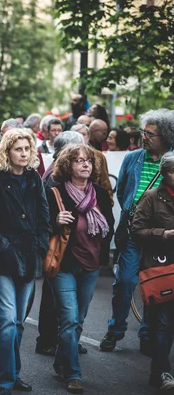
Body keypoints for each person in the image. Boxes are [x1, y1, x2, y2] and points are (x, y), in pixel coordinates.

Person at [0, 129, 51, 395]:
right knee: (6, 321)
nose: (24, 153)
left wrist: (41, 245)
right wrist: (4, 247)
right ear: (7, 152)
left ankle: (14, 374)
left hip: (29, 257)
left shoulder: (34, 179)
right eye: (18, 149)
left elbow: (44, 217)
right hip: (2, 259)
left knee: (18, 322)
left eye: (27, 149)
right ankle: (3, 381)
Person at [101, 109, 174, 354]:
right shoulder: (133, 158)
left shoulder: (172, 162)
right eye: (144, 132)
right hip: (133, 231)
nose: (144, 137)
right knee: (124, 282)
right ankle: (115, 330)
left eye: (150, 134)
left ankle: (147, 332)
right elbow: (122, 193)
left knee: (156, 285)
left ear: (165, 136)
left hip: (161, 237)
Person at [46, 144, 114, 393]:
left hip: (92, 264)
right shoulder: (56, 193)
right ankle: (73, 374)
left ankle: (60, 362)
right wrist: (55, 222)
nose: (86, 164)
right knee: (70, 319)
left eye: (89, 161)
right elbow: (41, 226)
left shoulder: (100, 194)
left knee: (78, 321)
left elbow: (110, 227)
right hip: (64, 264)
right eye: (79, 161)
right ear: (68, 166)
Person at [36, 131, 85, 357]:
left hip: (69, 245)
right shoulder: (54, 177)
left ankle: (63, 338)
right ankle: (47, 339)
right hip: (57, 245)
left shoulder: (60, 173)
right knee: (52, 294)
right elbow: (45, 216)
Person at [130, 152, 174, 392]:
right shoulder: (151, 198)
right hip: (161, 266)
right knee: (163, 323)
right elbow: (136, 230)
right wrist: (163, 234)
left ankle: (159, 370)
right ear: (165, 174)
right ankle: (161, 371)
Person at [0, 119, 46, 212]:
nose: (4, 139)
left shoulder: (33, 154)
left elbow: (42, 176)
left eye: (8, 136)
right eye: (2, 135)